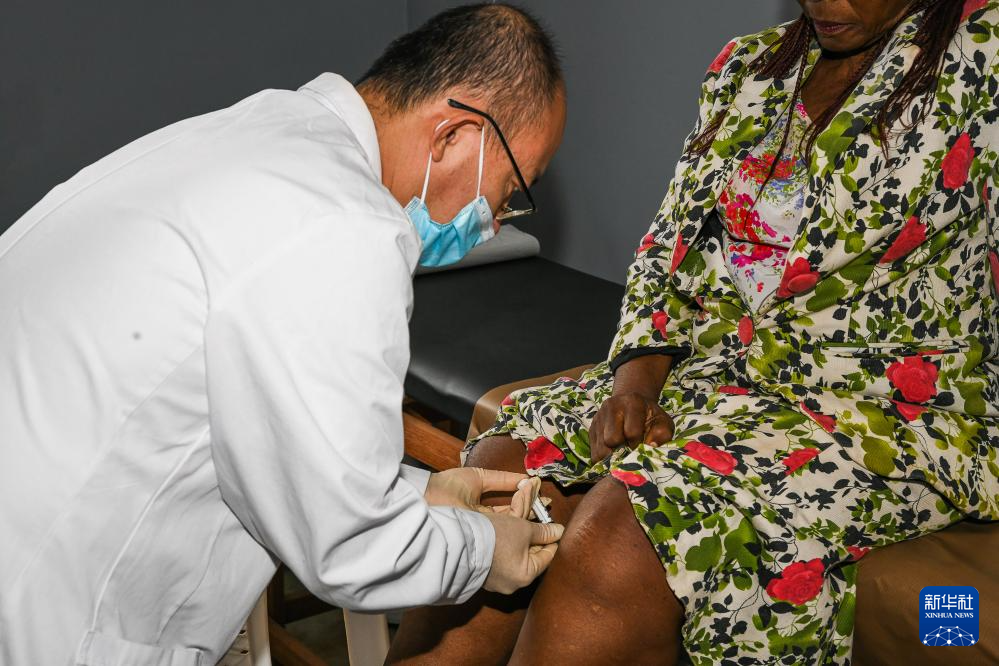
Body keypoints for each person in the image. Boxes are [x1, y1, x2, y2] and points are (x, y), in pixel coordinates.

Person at [389, 1, 999, 664]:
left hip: (878, 413)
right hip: (715, 379)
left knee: (626, 532)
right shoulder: (749, 69)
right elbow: (667, 251)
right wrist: (633, 388)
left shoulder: (982, 60)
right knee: (502, 477)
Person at [0, 4, 567, 665]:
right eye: (509, 188)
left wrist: (423, 493)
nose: (495, 222)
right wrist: (483, 552)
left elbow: (274, 438)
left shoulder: (263, 133)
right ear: (452, 135)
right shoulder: (341, 226)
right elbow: (351, 546)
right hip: (50, 614)